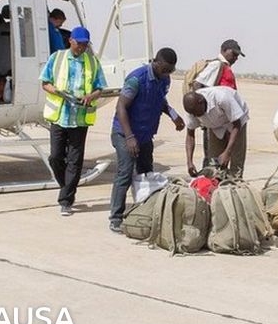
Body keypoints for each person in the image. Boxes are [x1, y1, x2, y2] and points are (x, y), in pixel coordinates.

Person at [108, 48, 185, 232]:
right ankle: (116, 217)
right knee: (125, 172)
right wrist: (130, 137)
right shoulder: (137, 79)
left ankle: (144, 211)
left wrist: (173, 115)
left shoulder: (164, 79)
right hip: (124, 133)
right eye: (165, 69)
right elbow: (121, 107)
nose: (167, 74)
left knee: (146, 173)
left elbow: (160, 100)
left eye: (171, 71)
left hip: (145, 135)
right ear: (156, 63)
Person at [40, 26, 106, 216]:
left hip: (80, 119)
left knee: (75, 161)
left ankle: (66, 200)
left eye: (85, 45)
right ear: (71, 41)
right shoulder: (57, 58)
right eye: (79, 44)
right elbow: (45, 82)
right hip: (60, 116)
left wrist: (90, 96)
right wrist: (58, 92)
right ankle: (66, 186)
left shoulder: (92, 62)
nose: (82, 48)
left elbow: (100, 87)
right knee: (55, 157)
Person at [183, 86, 249, 177]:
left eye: (196, 113)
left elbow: (237, 125)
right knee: (214, 164)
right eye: (193, 114)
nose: (195, 116)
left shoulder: (222, 98)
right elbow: (190, 135)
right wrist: (189, 162)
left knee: (236, 160)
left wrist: (227, 152)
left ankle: (235, 181)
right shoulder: (192, 109)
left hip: (236, 120)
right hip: (215, 124)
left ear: (201, 102)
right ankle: (218, 182)